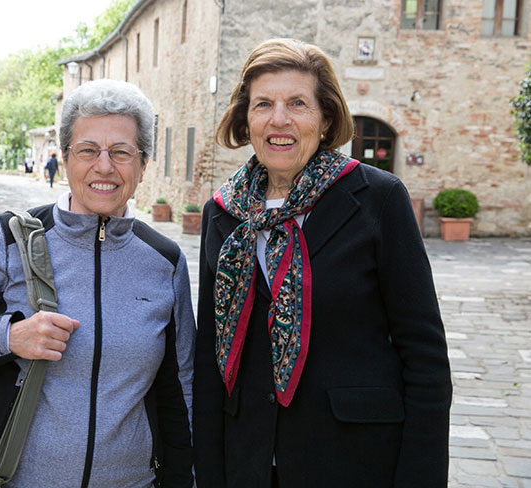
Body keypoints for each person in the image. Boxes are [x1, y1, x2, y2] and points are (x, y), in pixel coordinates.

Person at [193, 38, 452, 487]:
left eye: (298, 103)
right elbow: (210, 359)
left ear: (326, 116)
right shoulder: (223, 211)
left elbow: (424, 355)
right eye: (263, 104)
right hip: (247, 461)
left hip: (354, 460)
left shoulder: (377, 199)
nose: (279, 119)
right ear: (245, 117)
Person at [0, 78, 195, 487]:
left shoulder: (164, 260)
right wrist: (8, 339)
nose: (104, 166)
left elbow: (182, 387)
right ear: (64, 158)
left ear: (143, 164)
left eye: (121, 152)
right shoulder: (9, 239)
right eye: (88, 150)